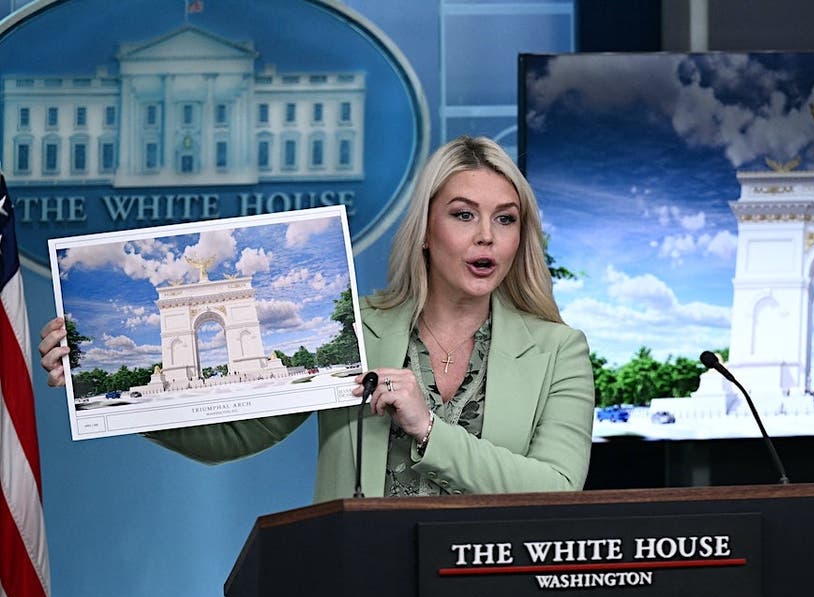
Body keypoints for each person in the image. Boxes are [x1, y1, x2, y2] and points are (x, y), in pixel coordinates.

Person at [39, 135, 595, 500]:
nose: (485, 237)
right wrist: (94, 386)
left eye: (505, 219)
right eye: (463, 215)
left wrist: (428, 429)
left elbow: (558, 487)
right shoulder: (360, 330)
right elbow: (231, 438)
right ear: (426, 231)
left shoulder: (560, 350)